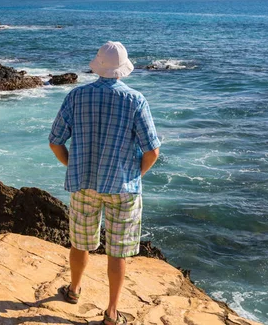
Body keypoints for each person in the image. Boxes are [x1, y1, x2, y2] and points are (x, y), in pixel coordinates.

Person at [49, 41, 161, 325]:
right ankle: (111, 312)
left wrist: (73, 165)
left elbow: (55, 141)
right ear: (122, 70)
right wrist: (134, 175)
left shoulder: (77, 96)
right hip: (123, 187)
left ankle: (73, 290)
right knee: (118, 250)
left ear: (97, 66)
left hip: (84, 183)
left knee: (80, 242)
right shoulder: (136, 100)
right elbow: (152, 151)